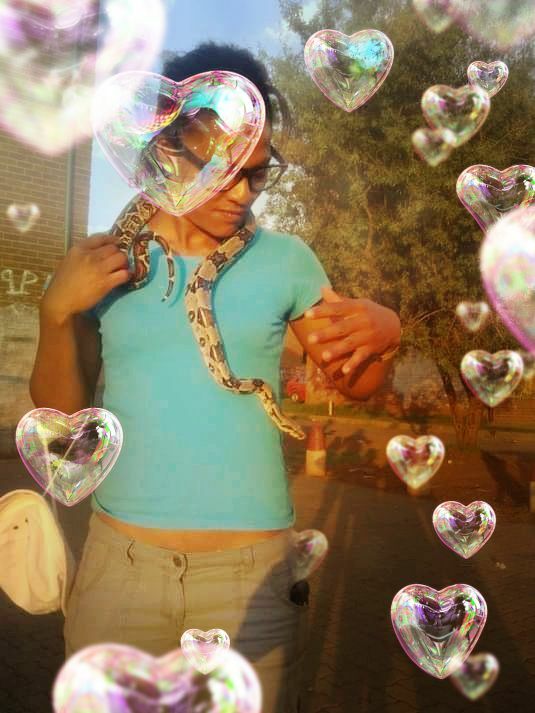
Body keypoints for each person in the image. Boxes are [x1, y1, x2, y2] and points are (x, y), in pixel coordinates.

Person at [30, 42, 401, 712]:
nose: (240, 195)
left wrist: (384, 331)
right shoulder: (105, 264)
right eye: (223, 171)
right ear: (167, 152)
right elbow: (63, 418)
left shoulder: (287, 260)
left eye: (256, 176)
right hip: (120, 569)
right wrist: (54, 313)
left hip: (250, 577)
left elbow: (358, 382)